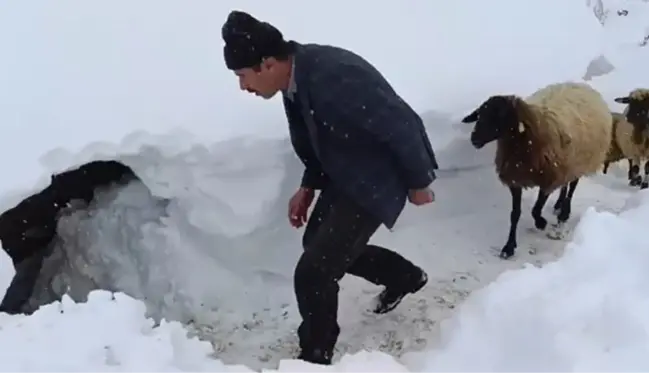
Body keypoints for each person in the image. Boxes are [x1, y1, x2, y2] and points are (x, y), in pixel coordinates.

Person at [221, 10, 439, 365]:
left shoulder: (333, 76)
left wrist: (418, 181)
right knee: (316, 246)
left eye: (243, 75)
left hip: (376, 175)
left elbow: (401, 123)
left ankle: (315, 355)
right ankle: (405, 276)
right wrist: (309, 186)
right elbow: (315, 140)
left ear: (267, 63)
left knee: (314, 271)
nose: (242, 86)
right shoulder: (293, 81)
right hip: (347, 172)